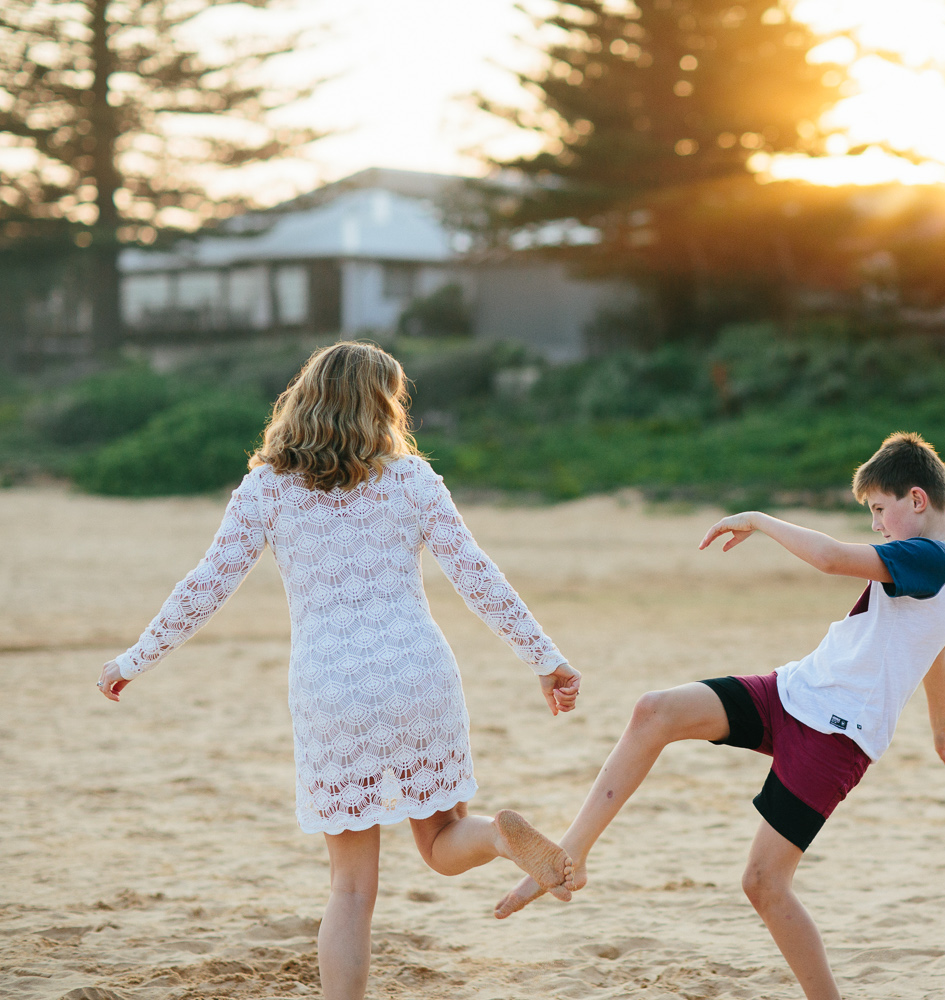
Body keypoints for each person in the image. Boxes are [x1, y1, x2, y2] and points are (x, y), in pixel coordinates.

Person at [95, 342, 581, 1000]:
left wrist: (133, 660)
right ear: (381, 405)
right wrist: (544, 658)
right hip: (416, 672)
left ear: (305, 398)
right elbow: (475, 573)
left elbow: (206, 585)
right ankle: (498, 836)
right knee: (440, 841)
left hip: (332, 687)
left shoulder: (267, 487)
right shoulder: (410, 478)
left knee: (351, 888)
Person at [495, 431, 945, 1000]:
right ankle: (570, 853)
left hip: (836, 738)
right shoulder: (934, 568)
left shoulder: (932, 556)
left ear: (916, 500)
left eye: (878, 509)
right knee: (655, 712)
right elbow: (932, 644)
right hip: (793, 692)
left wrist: (759, 519)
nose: (875, 524)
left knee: (764, 883)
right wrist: (941, 721)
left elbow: (828, 559)